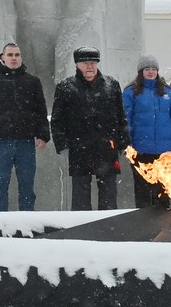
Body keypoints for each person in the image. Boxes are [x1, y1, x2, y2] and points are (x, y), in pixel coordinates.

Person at [50, 46, 129, 211]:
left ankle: (109, 224)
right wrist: (63, 145)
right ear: (77, 64)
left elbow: (120, 116)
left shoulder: (111, 85)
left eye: (93, 62)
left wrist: (122, 142)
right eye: (85, 63)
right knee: (80, 198)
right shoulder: (66, 87)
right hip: (79, 148)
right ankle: (82, 225)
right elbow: (57, 120)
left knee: (109, 197)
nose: (90, 66)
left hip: (106, 148)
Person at [0, 42, 51, 212]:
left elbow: (40, 110)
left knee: (27, 187)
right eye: (10, 55)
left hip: (26, 142)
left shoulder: (32, 81)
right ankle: (1, 222)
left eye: (17, 55)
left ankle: (27, 222)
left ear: (21, 57)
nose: (14, 58)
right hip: (0, 142)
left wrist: (42, 135)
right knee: (0, 186)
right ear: (2, 58)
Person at [121, 55, 171, 208]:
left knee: (162, 190)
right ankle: (143, 219)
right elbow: (125, 120)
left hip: (165, 152)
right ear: (141, 71)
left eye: (153, 69)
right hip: (141, 150)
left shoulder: (168, 92)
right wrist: (127, 144)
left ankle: (163, 219)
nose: (151, 72)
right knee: (142, 190)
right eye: (147, 69)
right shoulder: (130, 92)